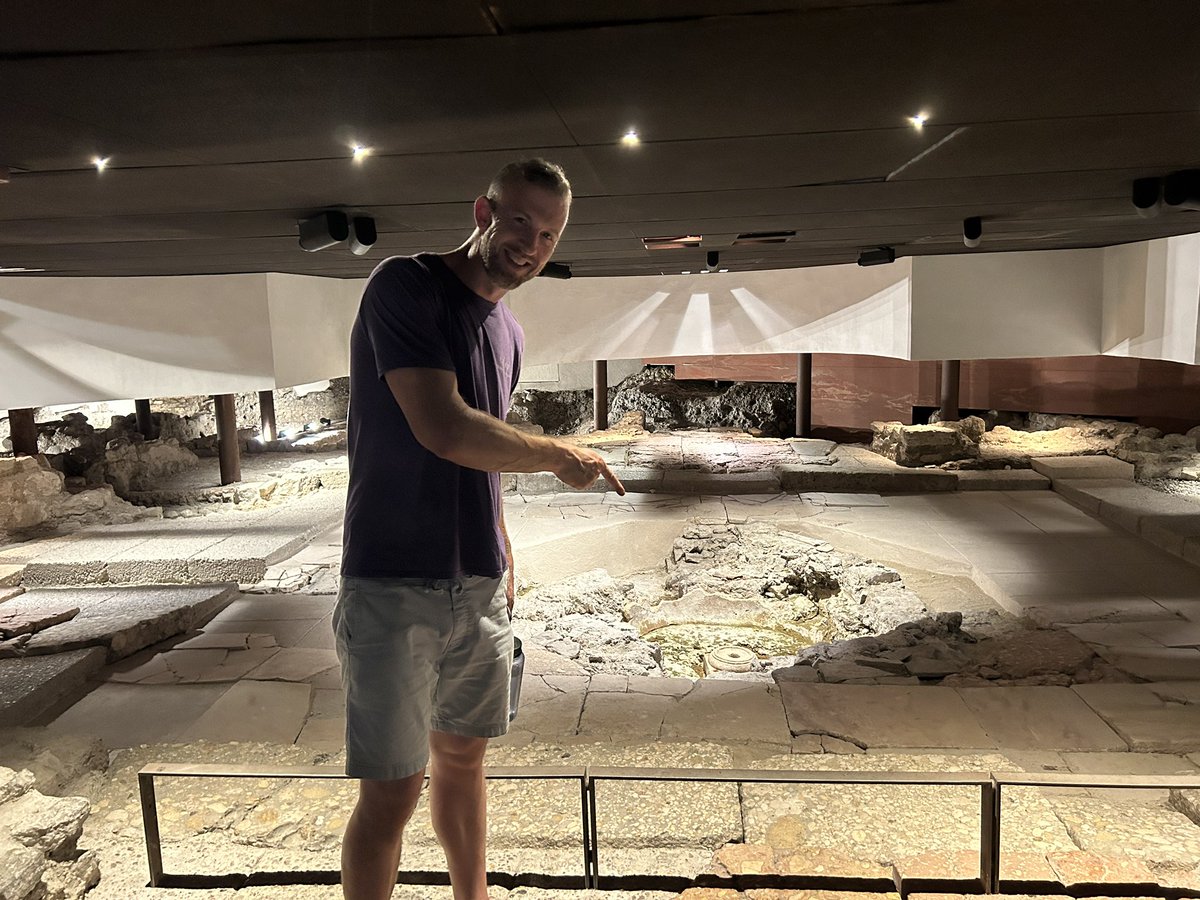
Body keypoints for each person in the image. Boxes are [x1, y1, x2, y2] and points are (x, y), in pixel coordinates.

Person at [334, 158, 624, 900]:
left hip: (481, 583)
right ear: (483, 210)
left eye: (549, 233)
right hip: (393, 579)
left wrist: (503, 553)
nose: (531, 242)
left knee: (465, 760)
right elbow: (445, 428)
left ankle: (475, 896)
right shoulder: (405, 285)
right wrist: (562, 455)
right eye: (521, 220)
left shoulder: (510, 332)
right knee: (391, 792)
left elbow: (484, 461)